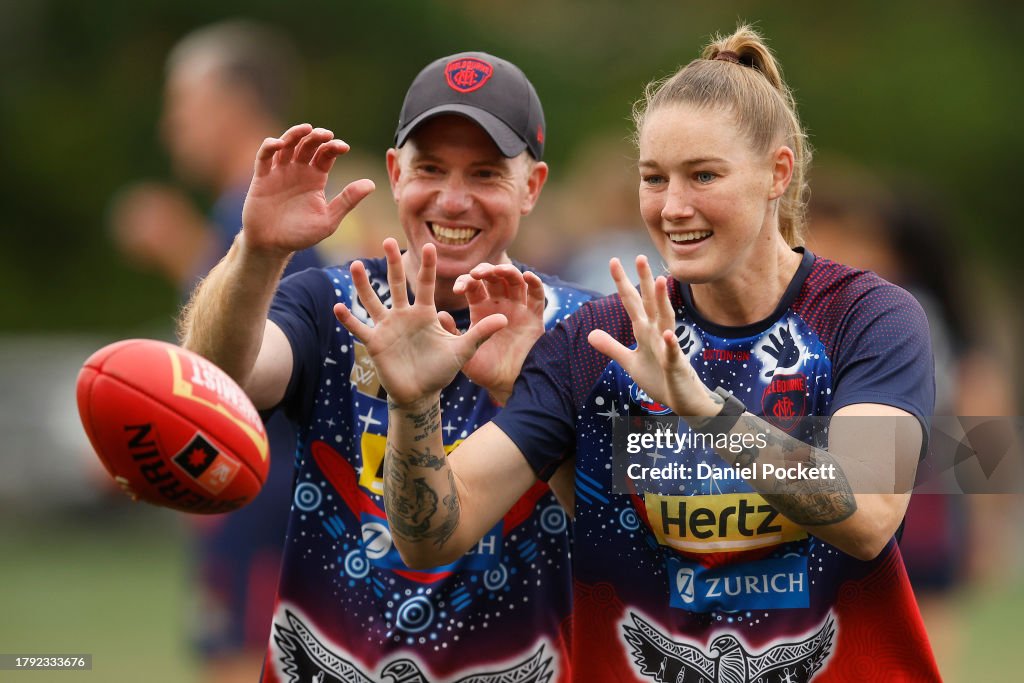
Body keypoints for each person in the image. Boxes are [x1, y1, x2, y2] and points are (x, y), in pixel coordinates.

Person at [355, 26, 942, 681]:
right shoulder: (592, 340)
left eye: (703, 175)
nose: (672, 206)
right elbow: (434, 532)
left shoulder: (870, 316)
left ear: (777, 172)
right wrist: (413, 406)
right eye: (654, 178)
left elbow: (867, 514)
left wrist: (701, 408)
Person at [178, 52, 596, 682]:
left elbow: (641, 532)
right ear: (396, 173)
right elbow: (216, 381)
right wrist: (257, 251)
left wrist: (526, 387)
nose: (453, 201)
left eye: (485, 174)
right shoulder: (330, 306)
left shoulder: (583, 327)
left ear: (531, 187)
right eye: (431, 168)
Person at [110, 20, 322, 683]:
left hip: (263, 497)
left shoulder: (266, 217)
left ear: (235, 105)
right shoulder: (239, 213)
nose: (172, 128)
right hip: (241, 494)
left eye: (184, 107)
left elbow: (244, 367)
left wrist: (177, 242)